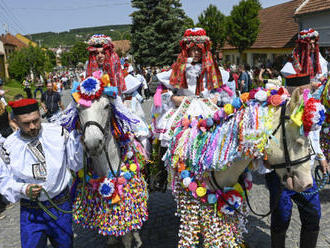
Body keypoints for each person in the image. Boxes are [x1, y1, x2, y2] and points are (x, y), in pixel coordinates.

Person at [0, 98, 83, 248]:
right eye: (26, 123)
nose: (32, 126)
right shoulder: (8, 146)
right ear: (15, 122)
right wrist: (23, 189)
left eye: (35, 120)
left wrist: (79, 138)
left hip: (61, 207)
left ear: (40, 114)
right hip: (31, 212)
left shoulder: (58, 133)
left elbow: (76, 164)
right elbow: (4, 181)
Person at [263, 74, 329, 248]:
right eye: (300, 90)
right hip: (280, 174)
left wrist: (321, 157)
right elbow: (264, 142)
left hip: (304, 170)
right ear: (291, 91)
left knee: (313, 215)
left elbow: (313, 138)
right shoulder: (274, 110)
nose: (304, 93)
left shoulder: (310, 109)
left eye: (306, 89)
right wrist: (266, 160)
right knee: (281, 217)